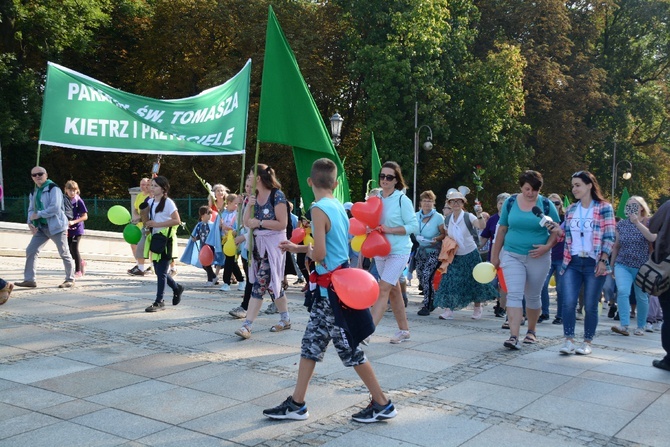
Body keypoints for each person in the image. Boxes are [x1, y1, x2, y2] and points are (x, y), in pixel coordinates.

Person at [266, 158, 396, 423]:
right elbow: (333, 248)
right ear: (336, 184)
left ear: (310, 181)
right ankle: (297, 403)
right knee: (310, 345)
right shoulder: (337, 206)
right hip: (333, 292)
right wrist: (300, 248)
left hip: (335, 294)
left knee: (350, 351)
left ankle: (382, 403)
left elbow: (322, 253)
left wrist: (309, 252)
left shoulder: (317, 209)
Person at [491, 171, 560, 349]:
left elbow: (556, 230)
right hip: (512, 254)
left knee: (533, 296)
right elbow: (502, 230)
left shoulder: (546, 204)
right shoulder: (511, 202)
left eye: (535, 190)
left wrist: (547, 247)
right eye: (527, 189)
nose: (530, 193)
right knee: (514, 293)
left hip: (538, 257)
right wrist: (494, 256)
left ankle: (531, 330)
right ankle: (513, 336)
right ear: (521, 187)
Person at [558, 170, 615, 355]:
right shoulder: (572, 209)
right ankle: (568, 341)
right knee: (568, 302)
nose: (574, 189)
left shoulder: (604, 207)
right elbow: (564, 234)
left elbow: (609, 236)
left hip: (593, 262)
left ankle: (587, 342)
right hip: (572, 261)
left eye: (577, 185)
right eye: (573, 185)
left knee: (590, 305)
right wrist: (555, 230)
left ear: (589, 185)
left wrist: (603, 260)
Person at [234, 164, 290, 339]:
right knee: (274, 286)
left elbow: (282, 223)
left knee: (259, 285)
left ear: (258, 178)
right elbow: (245, 222)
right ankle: (285, 319)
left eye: (250, 175)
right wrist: (249, 207)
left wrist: (259, 222)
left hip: (273, 247)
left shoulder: (277, 195)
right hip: (258, 247)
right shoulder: (252, 196)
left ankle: (247, 326)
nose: (248, 178)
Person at [369, 162, 418, 344]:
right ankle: (404, 331)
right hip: (379, 249)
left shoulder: (401, 199)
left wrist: (390, 229)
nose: (385, 180)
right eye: (382, 176)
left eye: (389, 177)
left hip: (399, 251)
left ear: (396, 180)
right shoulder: (375, 199)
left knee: (383, 288)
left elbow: (414, 226)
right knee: (394, 291)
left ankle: (367, 331)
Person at [435, 188, 497, 321]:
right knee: (449, 281)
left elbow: (481, 226)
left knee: (475, 281)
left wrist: (479, 214)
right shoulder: (447, 219)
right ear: (449, 204)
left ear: (463, 203)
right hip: (455, 255)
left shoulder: (469, 216)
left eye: (459, 201)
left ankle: (477, 308)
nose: (456, 204)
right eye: (453, 201)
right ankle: (449, 309)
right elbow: (448, 235)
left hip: (470, 253)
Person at [15, 166, 76, 289]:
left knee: (64, 252)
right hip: (41, 228)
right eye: (34, 175)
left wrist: (39, 214)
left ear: (46, 175)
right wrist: (30, 223)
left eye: (40, 174)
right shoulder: (34, 191)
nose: (37, 176)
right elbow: (31, 209)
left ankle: (70, 279)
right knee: (31, 250)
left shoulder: (54, 189)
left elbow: (55, 208)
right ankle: (29, 280)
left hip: (57, 227)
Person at [611, 196, 656, 336]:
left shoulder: (649, 222)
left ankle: (641, 326)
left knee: (641, 296)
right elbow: (617, 246)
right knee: (623, 291)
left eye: (634, 205)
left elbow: (652, 238)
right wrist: (611, 265)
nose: (631, 207)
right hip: (622, 264)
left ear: (642, 207)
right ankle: (624, 325)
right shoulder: (621, 224)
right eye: (629, 205)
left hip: (642, 266)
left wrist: (637, 222)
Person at [144, 176, 184, 312]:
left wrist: (157, 224)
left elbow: (177, 220)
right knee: (159, 271)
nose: (152, 188)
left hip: (166, 240)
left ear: (163, 188)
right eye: (152, 185)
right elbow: (146, 217)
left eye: (155, 186)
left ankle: (159, 301)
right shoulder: (150, 201)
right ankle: (176, 287)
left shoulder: (168, 203)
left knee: (161, 272)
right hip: (155, 239)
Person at [479, 192, 511, 318]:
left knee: (504, 284)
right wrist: (477, 247)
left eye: (505, 203)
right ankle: (499, 300)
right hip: (493, 255)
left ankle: (501, 307)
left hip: (507, 254)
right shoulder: (492, 219)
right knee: (492, 283)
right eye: (500, 203)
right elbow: (484, 237)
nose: (502, 206)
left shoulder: (512, 219)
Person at [414, 191, 445, 316]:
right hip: (420, 251)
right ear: (420, 203)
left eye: (430, 201)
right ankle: (433, 298)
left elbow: (444, 234)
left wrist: (436, 239)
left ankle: (427, 304)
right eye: (425, 201)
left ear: (433, 203)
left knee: (427, 276)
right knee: (421, 277)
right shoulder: (415, 216)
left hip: (433, 250)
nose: (427, 203)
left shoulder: (438, 217)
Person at [648, 199, 670, 371]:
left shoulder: (668, 205)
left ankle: (669, 359)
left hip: (666, 266)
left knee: (668, 313)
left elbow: (653, 226)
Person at [539, 193, 566, 324]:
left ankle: (560, 315)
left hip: (562, 257)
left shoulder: (565, 218)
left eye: (557, 203)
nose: (555, 206)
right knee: (542, 285)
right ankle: (545, 312)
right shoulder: (543, 219)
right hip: (547, 255)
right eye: (552, 203)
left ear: (561, 205)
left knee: (560, 287)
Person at [181, 205, 217, 285]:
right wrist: (195, 238)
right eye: (209, 213)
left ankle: (210, 280)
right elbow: (199, 235)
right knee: (204, 264)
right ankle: (214, 277)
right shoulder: (199, 225)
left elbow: (215, 235)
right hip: (203, 247)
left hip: (210, 247)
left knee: (207, 264)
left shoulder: (212, 225)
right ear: (203, 215)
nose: (211, 215)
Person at [218, 193, 246, 292]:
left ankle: (226, 283)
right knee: (232, 262)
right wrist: (221, 226)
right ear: (229, 203)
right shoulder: (223, 213)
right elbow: (218, 227)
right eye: (235, 203)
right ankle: (241, 281)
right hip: (224, 240)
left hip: (233, 240)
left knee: (229, 261)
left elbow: (239, 227)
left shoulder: (237, 214)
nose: (236, 206)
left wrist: (230, 229)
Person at [128, 177, 153, 276]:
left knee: (149, 246)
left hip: (147, 224)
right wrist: (137, 216)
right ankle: (139, 265)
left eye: (146, 185)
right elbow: (135, 209)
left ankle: (150, 266)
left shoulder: (150, 197)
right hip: (138, 224)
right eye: (141, 184)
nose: (143, 187)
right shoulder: (139, 196)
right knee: (134, 245)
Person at [64, 180, 88, 278]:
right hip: (67, 228)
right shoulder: (64, 200)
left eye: (74, 190)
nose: (72, 192)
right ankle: (81, 262)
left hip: (77, 228)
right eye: (70, 190)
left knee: (74, 247)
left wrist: (74, 221)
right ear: (66, 190)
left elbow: (85, 216)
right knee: (69, 250)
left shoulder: (79, 201)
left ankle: (78, 271)